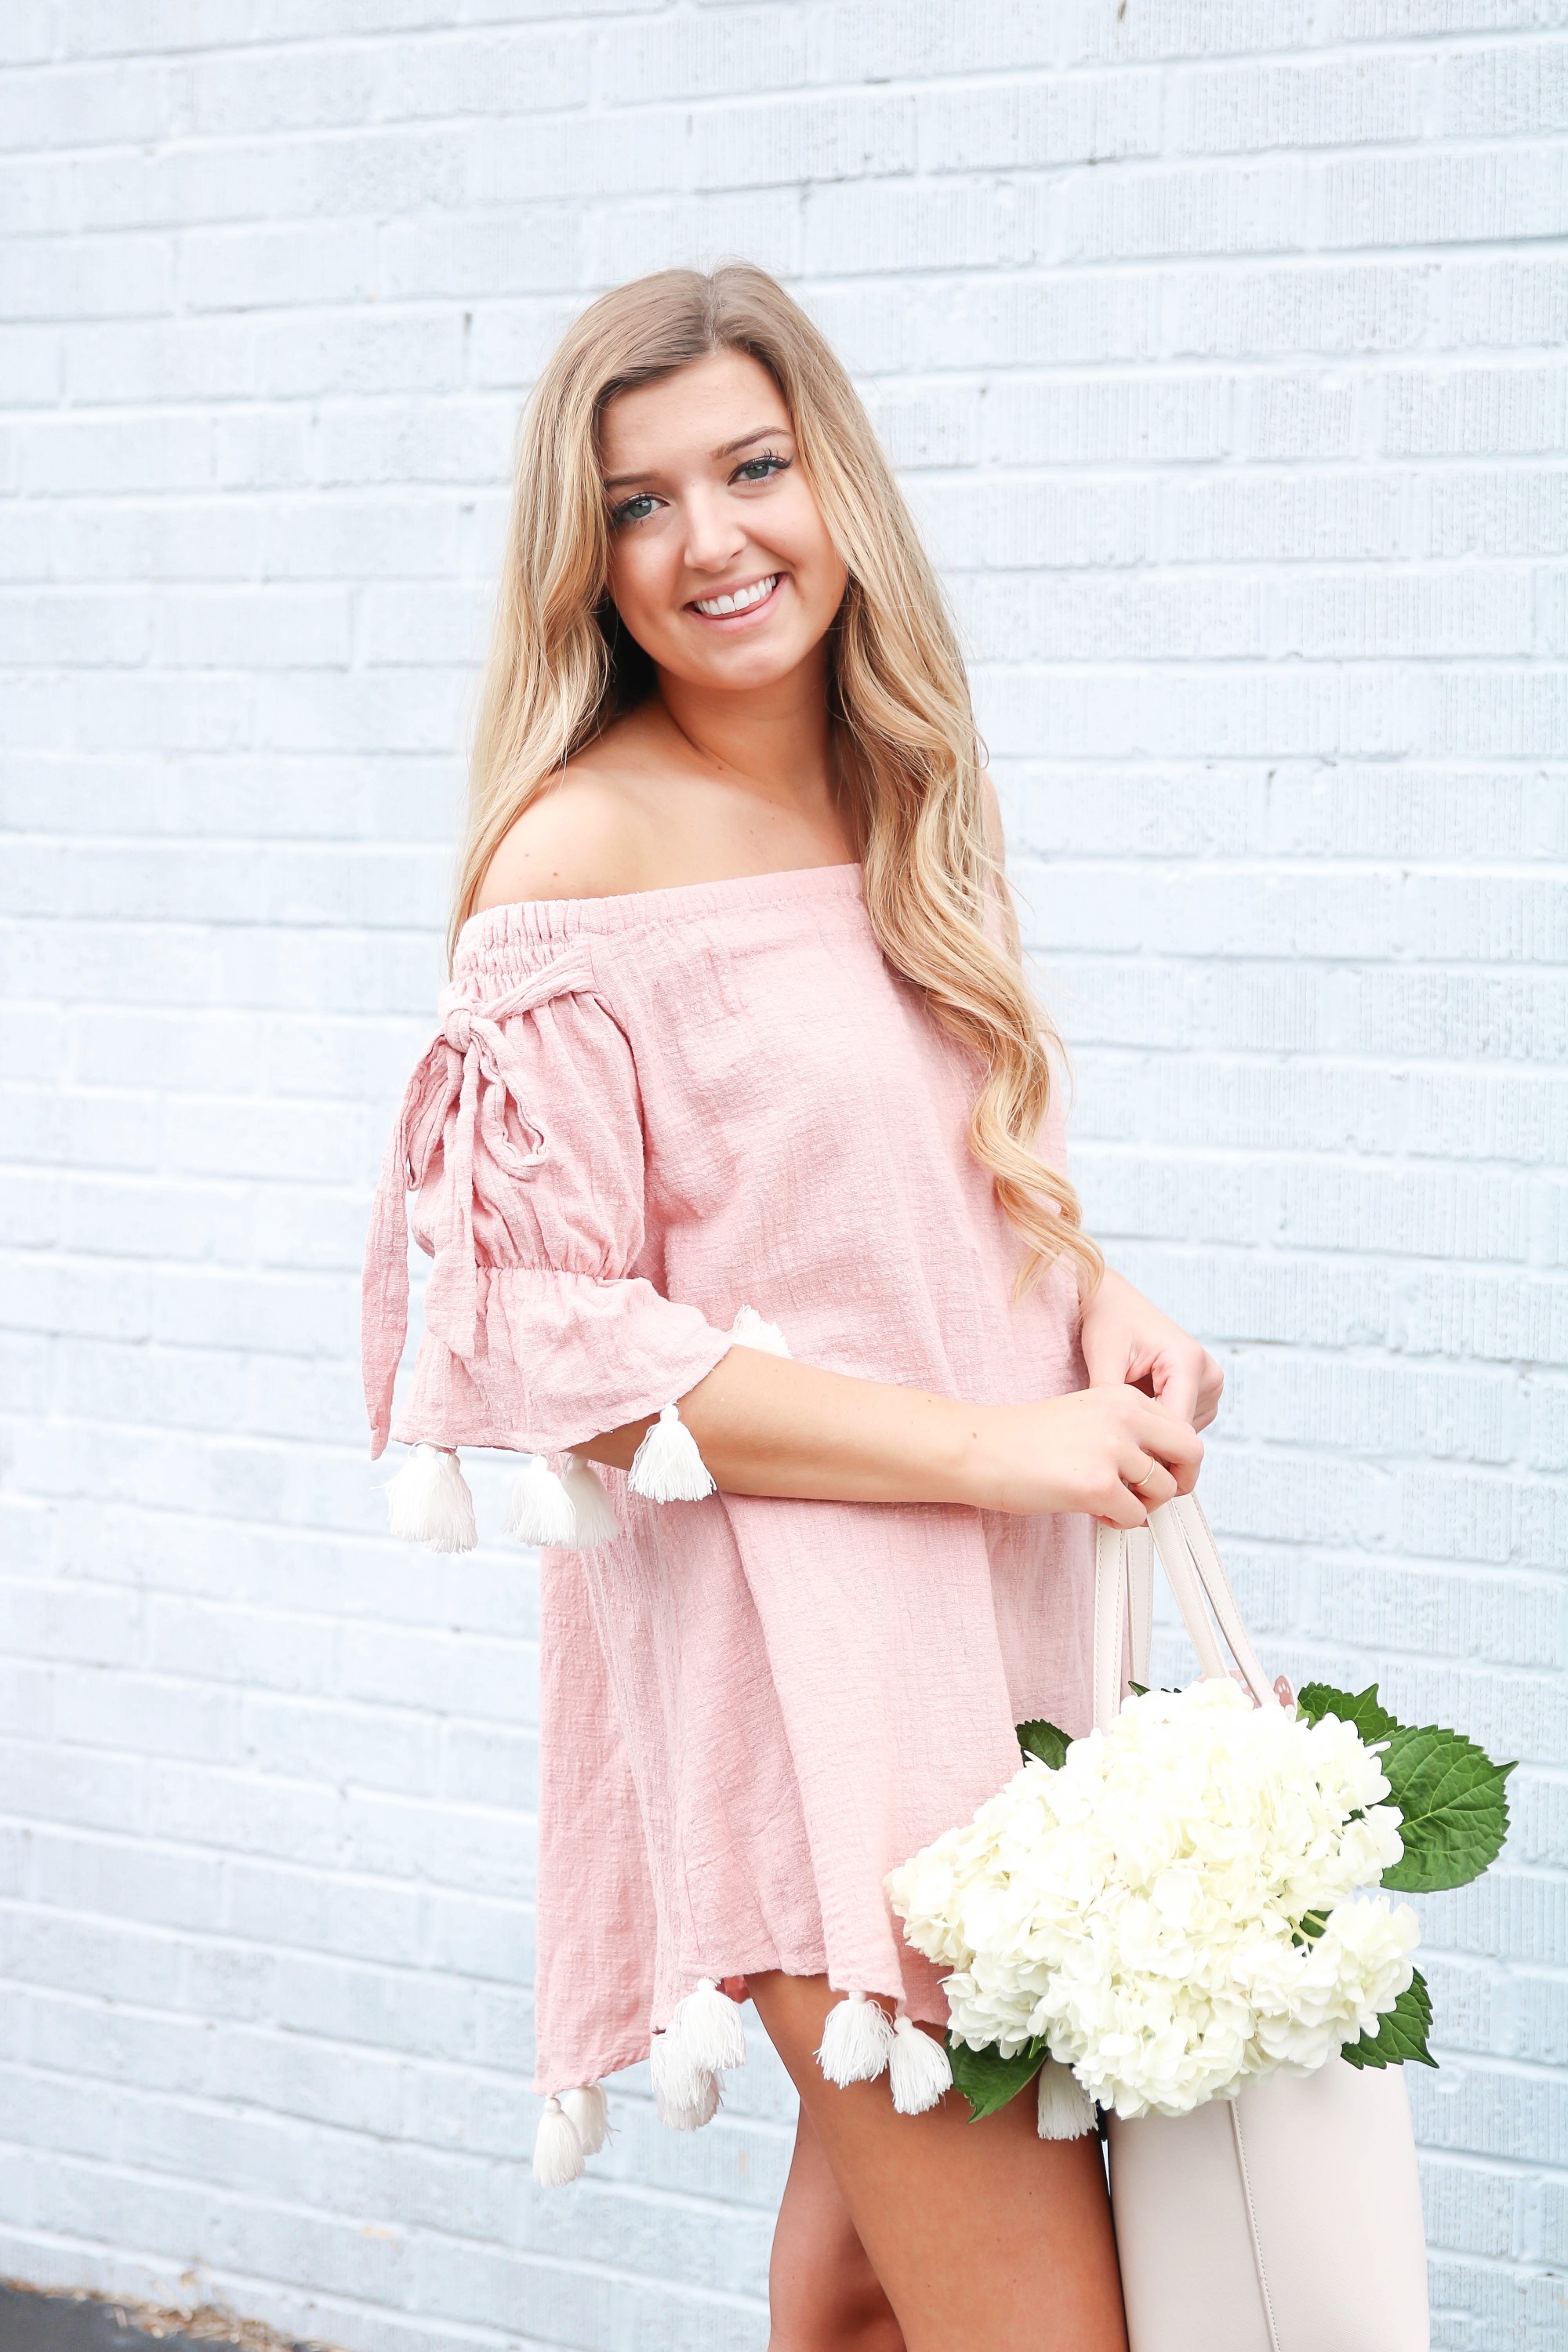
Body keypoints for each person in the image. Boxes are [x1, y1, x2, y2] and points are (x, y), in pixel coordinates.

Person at [361, 265, 1222, 2352]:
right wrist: (986, 1442)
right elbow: (544, 1348)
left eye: (753, 466)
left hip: (990, 1618)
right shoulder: (574, 859)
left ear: (833, 477)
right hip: (805, 1670)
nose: (715, 538)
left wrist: (1091, 1296)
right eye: (643, 503)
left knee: (858, 2296)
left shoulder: (899, 790)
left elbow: (899, 1189)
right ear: (586, 561)